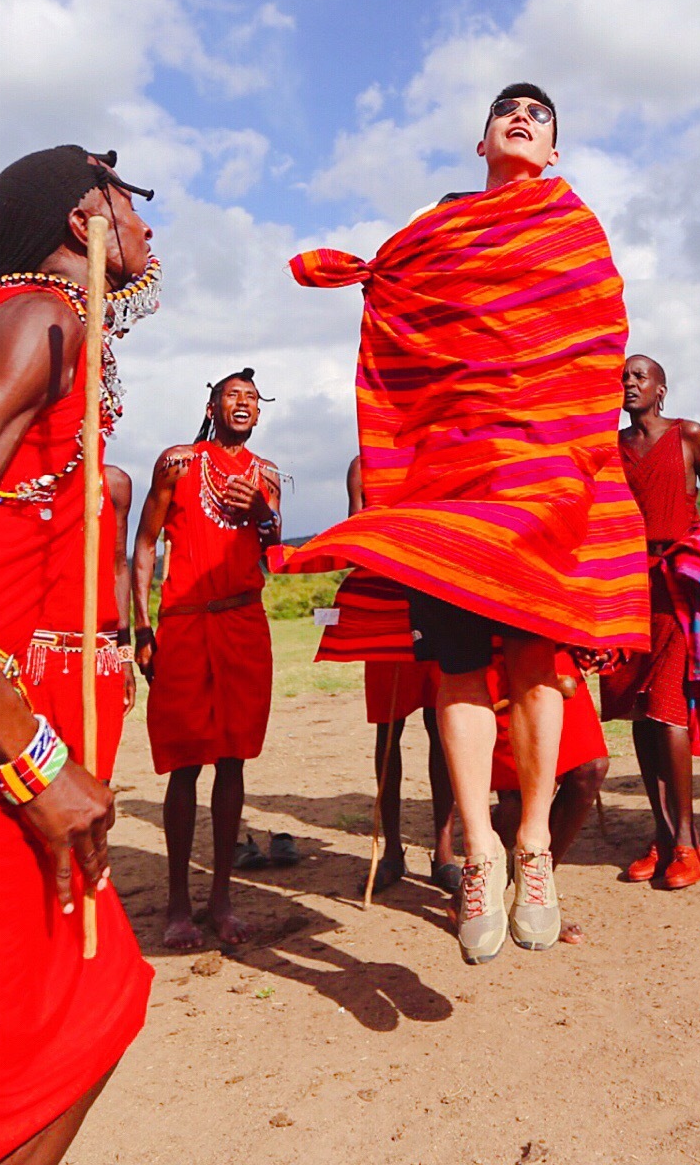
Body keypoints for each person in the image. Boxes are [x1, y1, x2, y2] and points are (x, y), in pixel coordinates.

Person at [270, 84, 648, 964]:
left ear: (553, 152)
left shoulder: (574, 230)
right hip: (448, 487)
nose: (523, 116)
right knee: (455, 667)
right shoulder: (435, 231)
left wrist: (571, 459)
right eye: (507, 110)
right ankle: (480, 846)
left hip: (537, 486)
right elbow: (399, 333)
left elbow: (593, 338)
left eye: (542, 115)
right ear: (481, 141)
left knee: (535, 661)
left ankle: (536, 847)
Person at [0, 147, 158, 1165]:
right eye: (131, 199)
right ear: (85, 215)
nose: (149, 222)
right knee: (48, 1043)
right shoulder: (40, 319)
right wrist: (33, 758)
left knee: (65, 1023)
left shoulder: (27, 329)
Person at [133, 369, 283, 949]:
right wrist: (141, 625)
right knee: (184, 762)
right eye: (232, 397)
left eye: (251, 400)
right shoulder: (176, 463)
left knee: (233, 759)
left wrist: (262, 513)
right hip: (186, 623)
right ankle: (176, 902)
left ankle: (221, 898)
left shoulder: (266, 474)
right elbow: (144, 543)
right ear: (212, 404)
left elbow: (273, 540)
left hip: (244, 621)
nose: (242, 405)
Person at [600, 355, 700, 889]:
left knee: (669, 711)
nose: (630, 383)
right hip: (624, 586)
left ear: (662, 389)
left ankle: (687, 842)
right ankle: (661, 837)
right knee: (640, 712)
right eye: (624, 377)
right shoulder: (611, 447)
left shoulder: (688, 435)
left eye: (640, 377)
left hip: (675, 587)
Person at [345, 456, 459, 896]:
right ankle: (391, 850)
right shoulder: (363, 466)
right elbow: (356, 529)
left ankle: (444, 850)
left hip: (439, 596)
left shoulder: (438, 454)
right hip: (388, 600)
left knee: (443, 726)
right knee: (388, 731)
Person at [25, 464, 135, 783]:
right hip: (35, 657)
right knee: (39, 787)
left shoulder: (115, 484)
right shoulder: (24, 483)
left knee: (95, 785)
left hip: (98, 656)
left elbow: (118, 569)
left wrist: (123, 655)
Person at [488, 659, 609, 942]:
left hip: (558, 647)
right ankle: (472, 896)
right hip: (498, 651)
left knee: (590, 767)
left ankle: (536, 889)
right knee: (519, 789)